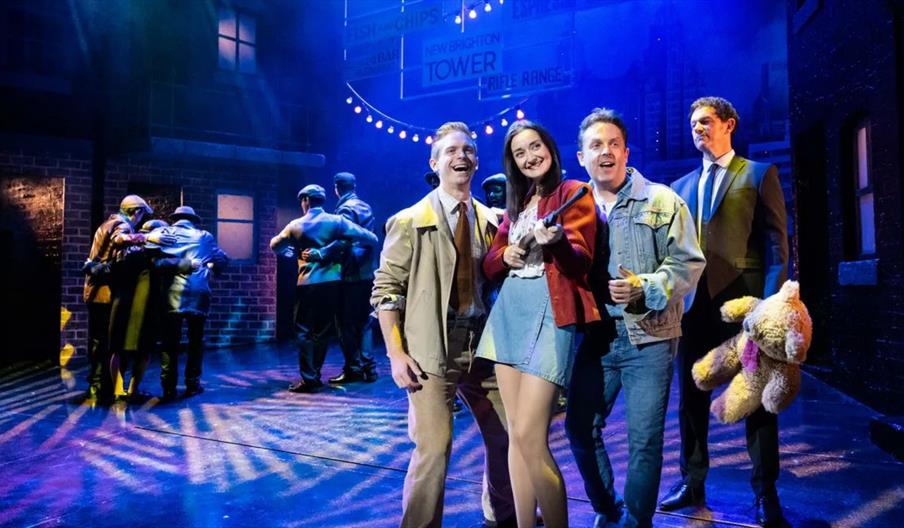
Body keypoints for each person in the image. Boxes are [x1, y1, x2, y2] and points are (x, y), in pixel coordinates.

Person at [564, 108, 705, 528]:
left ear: (626, 151)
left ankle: (635, 522)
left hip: (651, 337)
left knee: (644, 441)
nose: (604, 152)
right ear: (580, 156)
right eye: (595, 145)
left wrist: (645, 286)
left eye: (612, 144)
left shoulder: (662, 200)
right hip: (596, 337)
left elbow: (687, 263)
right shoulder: (574, 207)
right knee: (578, 429)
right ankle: (609, 509)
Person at [372, 122, 515, 527]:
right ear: (435, 163)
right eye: (451, 151)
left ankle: (502, 513)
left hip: (483, 345)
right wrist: (396, 354)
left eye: (468, 150)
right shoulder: (409, 221)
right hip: (432, 347)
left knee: (506, 436)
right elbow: (386, 291)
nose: (462, 157)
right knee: (434, 448)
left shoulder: (492, 221)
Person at [663, 96, 789, 527]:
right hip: (695, 309)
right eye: (693, 123)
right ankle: (692, 482)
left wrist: (769, 306)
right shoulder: (679, 188)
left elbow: (777, 246)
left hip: (745, 310)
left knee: (755, 400)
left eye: (706, 122)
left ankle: (764, 491)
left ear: (729, 124)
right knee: (691, 399)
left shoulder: (757, 174)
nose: (698, 129)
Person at [477, 120, 598, 527]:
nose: (530, 157)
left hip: (551, 312)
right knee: (515, 433)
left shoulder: (573, 193)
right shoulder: (519, 204)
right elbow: (491, 263)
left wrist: (558, 241)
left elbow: (582, 263)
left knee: (531, 435)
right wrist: (504, 256)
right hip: (510, 312)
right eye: (520, 153)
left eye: (535, 147)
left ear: (550, 147)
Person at [271, 185, 378, 393]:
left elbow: (275, 246)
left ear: (305, 200)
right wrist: (344, 243)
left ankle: (310, 378)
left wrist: (290, 251)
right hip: (333, 283)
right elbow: (371, 238)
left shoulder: (296, 225)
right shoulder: (336, 221)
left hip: (307, 284)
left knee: (304, 331)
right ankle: (316, 374)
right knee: (323, 331)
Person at [82, 194, 172, 402]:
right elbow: (120, 239)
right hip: (104, 292)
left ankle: (102, 386)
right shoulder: (120, 225)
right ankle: (100, 387)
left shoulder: (107, 223)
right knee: (106, 343)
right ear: (137, 212)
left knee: (102, 342)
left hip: (99, 290)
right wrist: (146, 238)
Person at [107, 219, 190, 403]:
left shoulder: (124, 252)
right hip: (144, 307)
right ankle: (132, 391)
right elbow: (169, 266)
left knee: (117, 349)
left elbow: (111, 272)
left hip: (121, 304)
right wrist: (188, 264)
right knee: (143, 352)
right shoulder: (155, 256)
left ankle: (118, 390)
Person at [154, 206, 229, 400]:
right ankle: (192, 384)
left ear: (176, 219)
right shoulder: (204, 236)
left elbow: (155, 263)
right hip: (198, 293)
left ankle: (168, 388)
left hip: (173, 294)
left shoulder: (164, 233)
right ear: (193, 220)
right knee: (196, 341)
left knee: (169, 343)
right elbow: (222, 259)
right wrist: (211, 267)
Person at [318, 172, 379, 384]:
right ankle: (369, 368)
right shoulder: (365, 206)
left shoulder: (344, 209)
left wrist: (322, 253)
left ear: (337, 187)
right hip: (367, 271)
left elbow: (344, 239)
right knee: (365, 322)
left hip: (351, 272)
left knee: (345, 323)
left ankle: (353, 368)